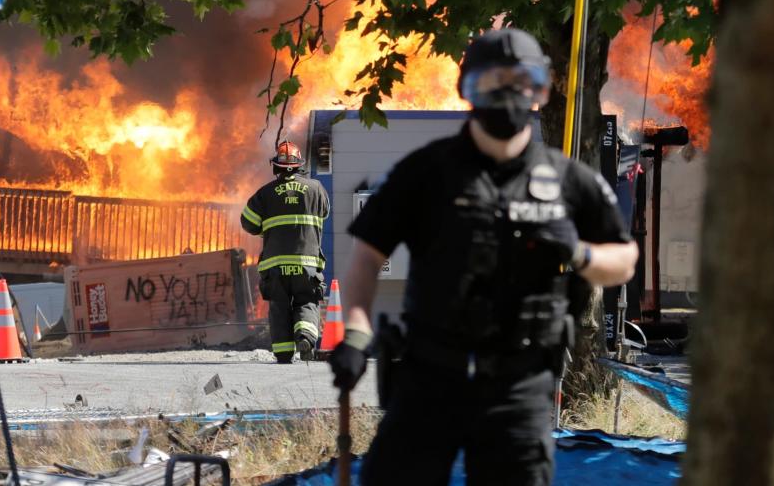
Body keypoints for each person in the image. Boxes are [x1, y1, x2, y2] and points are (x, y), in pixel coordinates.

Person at [329, 28, 639, 485]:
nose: (508, 94)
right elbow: (366, 258)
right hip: (429, 377)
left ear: (542, 89)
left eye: (521, 82)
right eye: (492, 82)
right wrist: (356, 331)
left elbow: (624, 260)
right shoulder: (425, 173)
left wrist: (578, 252)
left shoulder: (569, 181)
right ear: (466, 88)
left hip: (521, 386)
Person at [241, 141, 330, 363]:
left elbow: (248, 222)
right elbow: (325, 213)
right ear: (300, 165)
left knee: (279, 306)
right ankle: (306, 338)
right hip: (307, 263)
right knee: (306, 300)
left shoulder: (265, 193)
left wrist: (268, 228)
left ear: (276, 167)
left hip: (275, 265)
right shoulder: (316, 189)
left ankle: (282, 353)